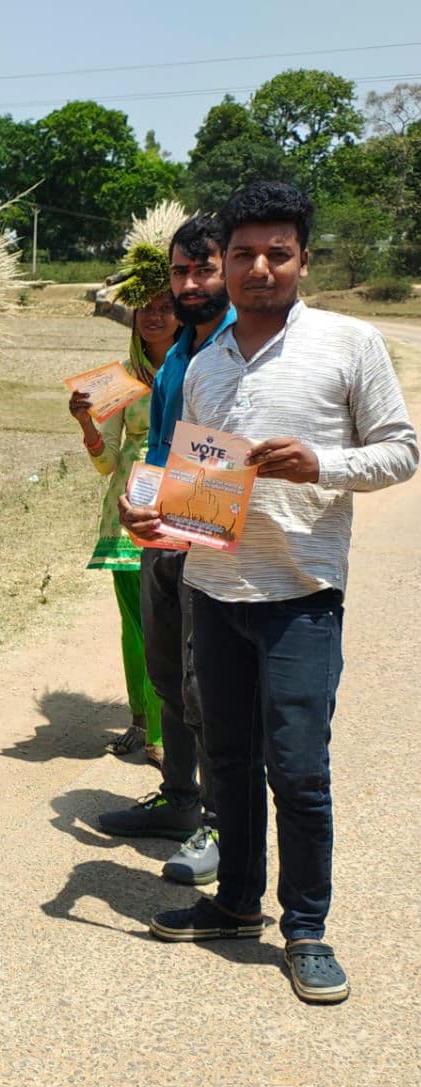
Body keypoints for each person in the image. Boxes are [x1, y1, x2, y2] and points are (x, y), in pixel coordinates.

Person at [142, 182, 417, 1004]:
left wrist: (323, 465)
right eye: (242, 255)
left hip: (302, 592)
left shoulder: (349, 343)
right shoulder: (204, 360)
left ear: (303, 258)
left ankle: (306, 928)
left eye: (277, 253)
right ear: (220, 265)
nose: (259, 268)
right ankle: (233, 901)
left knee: (298, 770)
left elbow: (402, 451)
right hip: (213, 589)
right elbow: (197, 484)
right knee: (228, 758)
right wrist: (150, 512)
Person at [104, 215, 236, 888]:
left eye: (202, 269)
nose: (189, 283)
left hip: (211, 537)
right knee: (164, 671)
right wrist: (140, 504)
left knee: (202, 682)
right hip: (159, 531)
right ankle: (180, 799)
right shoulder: (181, 345)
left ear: (230, 268)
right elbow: (158, 442)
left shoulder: (242, 345)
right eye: (179, 272)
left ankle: (220, 815)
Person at [69, 288, 178, 765]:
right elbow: (107, 461)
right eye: (145, 309)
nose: (154, 316)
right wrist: (87, 425)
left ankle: (172, 725)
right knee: (136, 626)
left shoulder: (198, 368)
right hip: (127, 512)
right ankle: (145, 724)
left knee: (177, 627)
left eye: (165, 307)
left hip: (184, 511)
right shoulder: (117, 381)